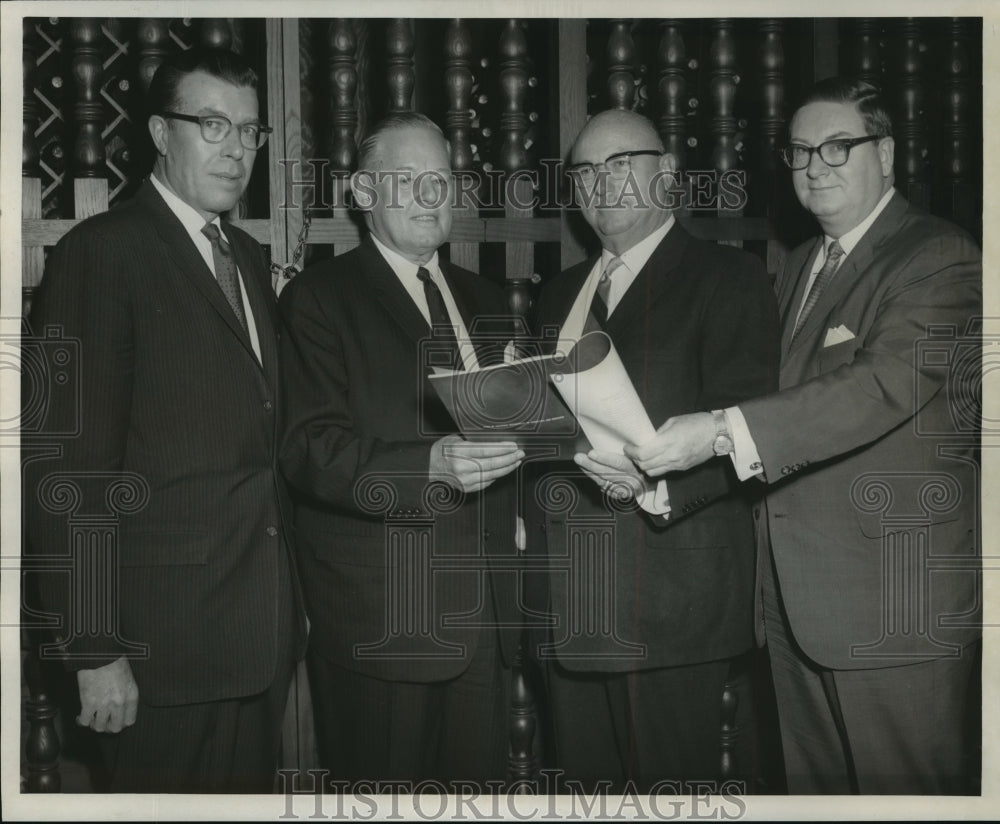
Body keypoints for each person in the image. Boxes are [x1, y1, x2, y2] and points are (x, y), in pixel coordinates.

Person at [625, 77, 982, 794]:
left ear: (886, 152)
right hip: (795, 608)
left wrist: (719, 430)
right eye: (798, 152)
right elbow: (774, 416)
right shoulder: (796, 269)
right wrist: (652, 471)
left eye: (836, 147)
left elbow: (879, 387)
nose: (813, 166)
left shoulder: (939, 257)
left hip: (891, 611)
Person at [23, 48, 305, 792]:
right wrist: (93, 649)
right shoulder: (101, 254)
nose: (236, 149)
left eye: (249, 131)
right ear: (158, 131)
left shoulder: (243, 254)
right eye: (212, 124)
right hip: (158, 654)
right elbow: (67, 470)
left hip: (254, 637)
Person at [523, 109, 780, 792]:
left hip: (671, 604)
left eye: (621, 163)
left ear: (666, 172)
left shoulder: (730, 277)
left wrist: (654, 486)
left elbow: (747, 429)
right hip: (569, 608)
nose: (600, 183)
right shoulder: (557, 293)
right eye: (584, 170)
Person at [278, 112, 524, 787]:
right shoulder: (317, 300)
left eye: (440, 180)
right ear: (360, 192)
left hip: (488, 622)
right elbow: (309, 451)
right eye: (406, 180)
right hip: (385, 622)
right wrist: (428, 467)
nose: (428, 197)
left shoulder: (487, 298)